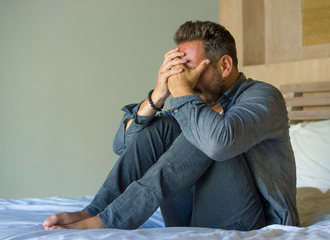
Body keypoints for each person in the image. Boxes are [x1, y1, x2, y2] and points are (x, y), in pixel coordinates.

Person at [43, 20, 299, 231]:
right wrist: (158, 95)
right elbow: (124, 147)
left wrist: (182, 93)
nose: (182, 79)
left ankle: (108, 222)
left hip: (255, 222)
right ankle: (96, 212)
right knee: (163, 128)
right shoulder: (194, 101)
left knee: (201, 131)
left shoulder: (264, 97)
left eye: (189, 69)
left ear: (225, 65)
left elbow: (217, 144)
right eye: (177, 70)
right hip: (188, 216)